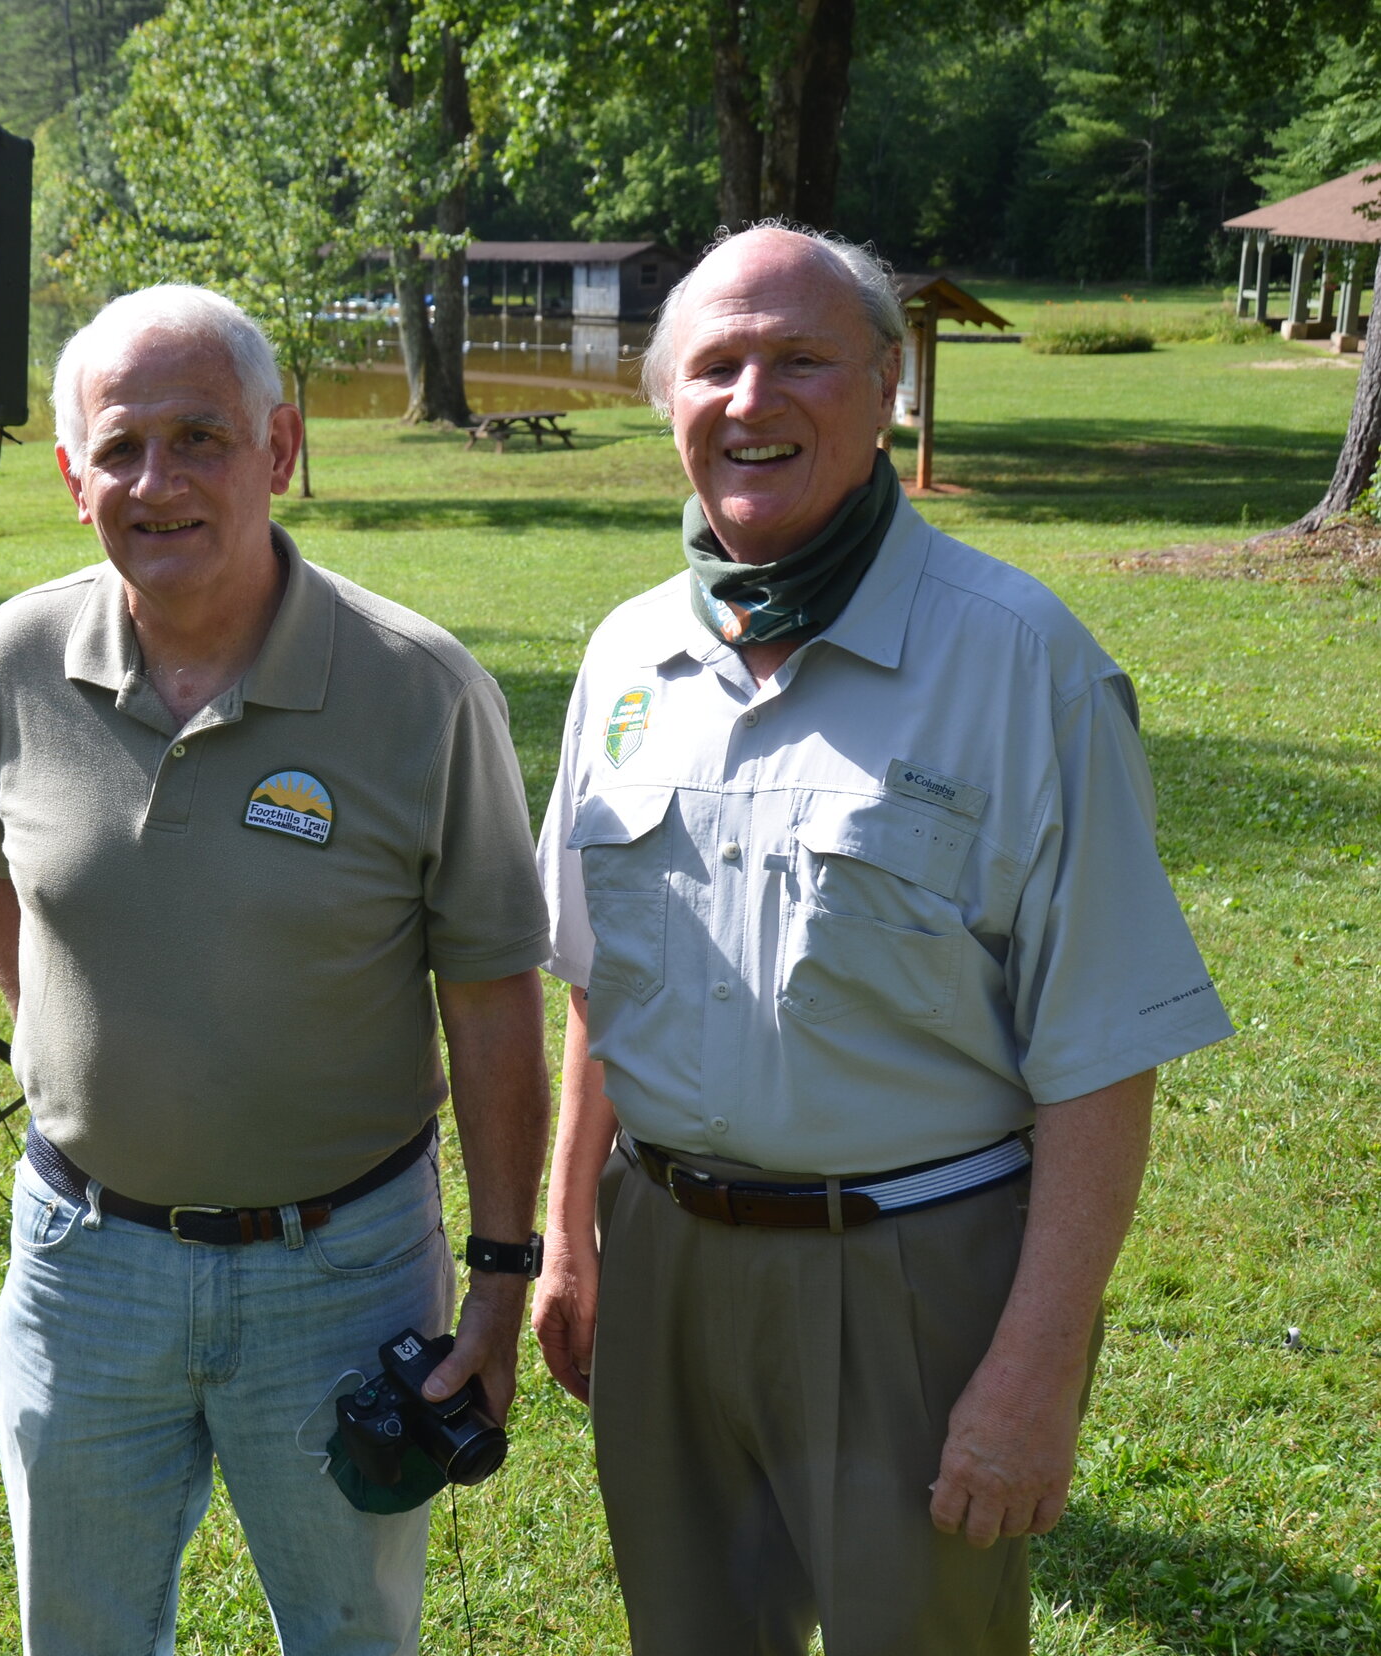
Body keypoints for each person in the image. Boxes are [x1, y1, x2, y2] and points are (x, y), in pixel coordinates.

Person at [529, 224, 1234, 1654]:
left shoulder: (1022, 662)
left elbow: (1101, 1051)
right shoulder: (624, 660)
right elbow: (602, 980)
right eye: (714, 365)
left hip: (915, 1275)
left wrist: (1035, 1369)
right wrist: (567, 1239)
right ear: (666, 400)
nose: (750, 400)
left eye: (801, 360)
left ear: (887, 385)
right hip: (663, 1256)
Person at [0, 283, 554, 1656]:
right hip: (83, 1270)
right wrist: (83, 1065)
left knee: (353, 1636)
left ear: (281, 447)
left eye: (201, 438)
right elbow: (1, 881)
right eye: (119, 448)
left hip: (341, 1275)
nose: (156, 483)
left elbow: (491, 994)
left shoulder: (420, 688)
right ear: (71, 475)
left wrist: (504, 1274)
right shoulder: (17, 662)